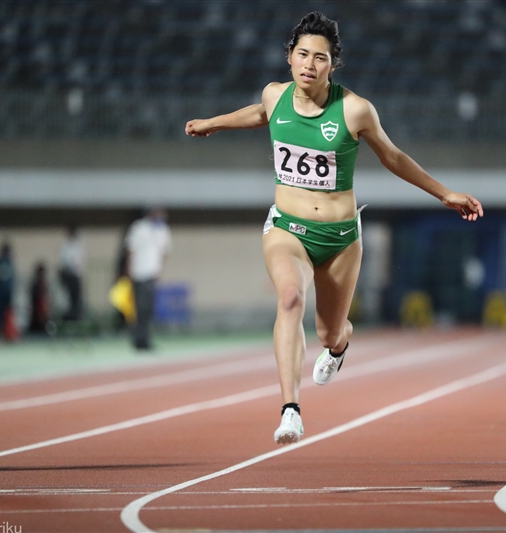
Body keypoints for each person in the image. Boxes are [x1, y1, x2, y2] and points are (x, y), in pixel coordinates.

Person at [185, 11, 483, 445]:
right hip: (287, 228)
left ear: (332, 65)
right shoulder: (275, 95)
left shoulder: (355, 109)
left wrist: (444, 193)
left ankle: (340, 347)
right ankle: (291, 410)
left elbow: (393, 157)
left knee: (330, 330)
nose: (309, 64)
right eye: (302, 54)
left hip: (341, 239)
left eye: (319, 58)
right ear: (289, 57)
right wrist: (214, 122)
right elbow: (259, 113)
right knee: (289, 298)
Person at [125, 208, 171, 351]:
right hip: (138, 273)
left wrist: (159, 270)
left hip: (151, 275)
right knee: (139, 308)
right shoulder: (139, 228)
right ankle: (137, 339)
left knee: (148, 309)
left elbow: (165, 251)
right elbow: (130, 249)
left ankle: (144, 339)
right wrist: (129, 269)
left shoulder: (162, 230)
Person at [58, 226, 84, 321]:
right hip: (69, 276)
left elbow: (79, 262)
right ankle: (69, 317)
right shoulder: (66, 246)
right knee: (69, 299)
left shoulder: (77, 246)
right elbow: (64, 262)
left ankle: (76, 316)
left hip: (76, 276)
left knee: (76, 299)